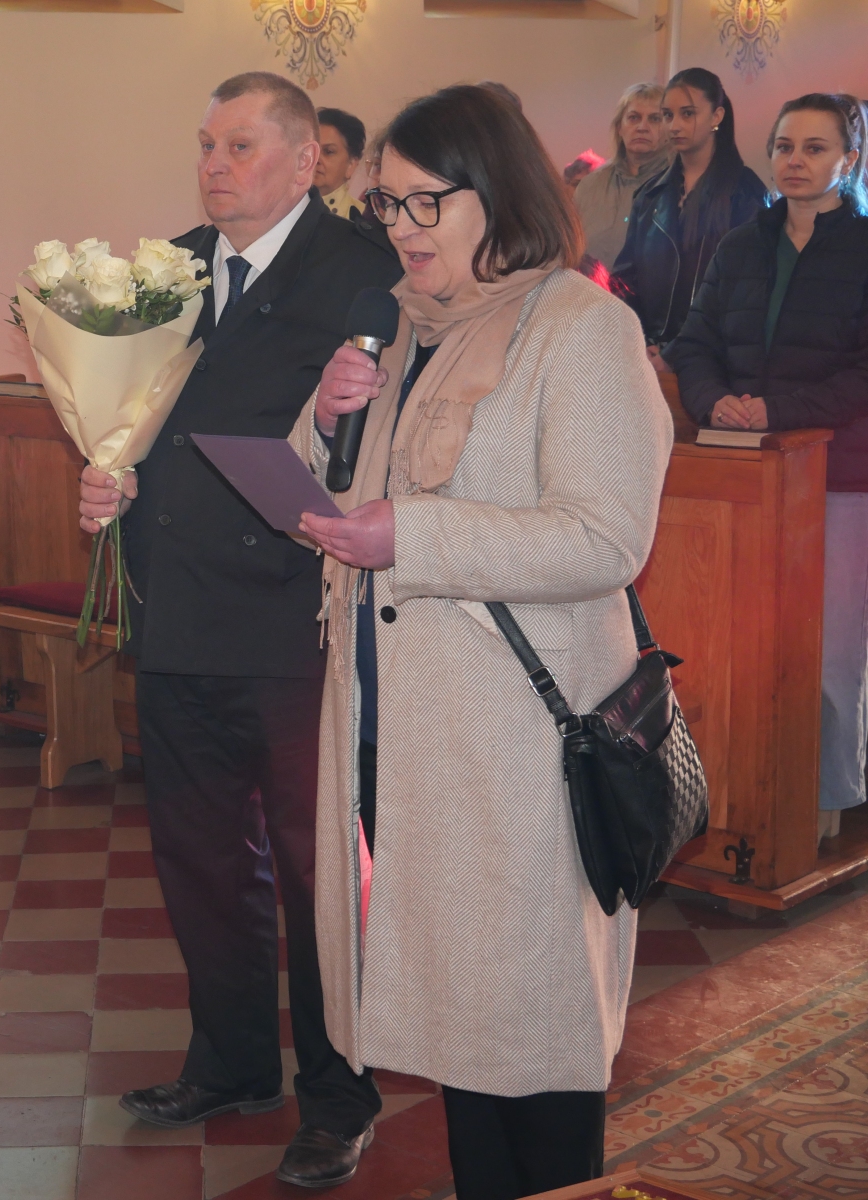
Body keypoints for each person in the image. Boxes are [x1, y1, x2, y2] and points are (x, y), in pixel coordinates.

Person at [290, 84, 671, 1200]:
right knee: (467, 1023)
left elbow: (605, 537)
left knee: (534, 1032)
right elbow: (338, 496)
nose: (401, 227)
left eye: (426, 202)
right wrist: (325, 417)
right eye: (386, 203)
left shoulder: (581, 329)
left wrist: (413, 536)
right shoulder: (402, 327)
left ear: (496, 193)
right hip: (402, 725)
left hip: (519, 741)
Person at [77, 71, 401, 1189]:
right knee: (200, 857)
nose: (215, 166)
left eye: (241, 147)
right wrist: (106, 477)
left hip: (293, 614)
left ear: (306, 161)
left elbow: (377, 445)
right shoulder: (166, 272)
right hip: (174, 606)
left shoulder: (361, 271)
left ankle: (339, 1094)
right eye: (206, 146)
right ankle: (230, 1062)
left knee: (318, 872)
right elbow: (133, 421)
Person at [665, 93, 868, 841]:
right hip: (742, 479)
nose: (796, 161)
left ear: (849, 159)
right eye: (785, 146)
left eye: (816, 148)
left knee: (829, 649)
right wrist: (714, 401)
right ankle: (738, 798)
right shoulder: (740, 245)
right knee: (739, 646)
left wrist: (776, 411)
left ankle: (826, 802)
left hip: (838, 475)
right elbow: (693, 343)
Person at [612, 67, 768, 349]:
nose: (674, 126)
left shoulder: (745, 193)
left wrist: (679, 351)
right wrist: (640, 342)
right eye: (668, 115)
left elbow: (748, 293)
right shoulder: (650, 195)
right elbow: (625, 280)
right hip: (647, 349)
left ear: (716, 116)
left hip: (712, 354)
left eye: (687, 114)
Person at [574, 82, 669, 267]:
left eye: (654, 119)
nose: (642, 127)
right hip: (591, 285)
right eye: (633, 118)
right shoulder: (590, 186)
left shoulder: (681, 185)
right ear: (619, 127)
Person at [316, 107, 366, 219]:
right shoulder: (280, 211)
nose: (316, 159)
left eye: (328, 151)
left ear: (351, 165)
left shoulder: (363, 219)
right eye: (311, 150)